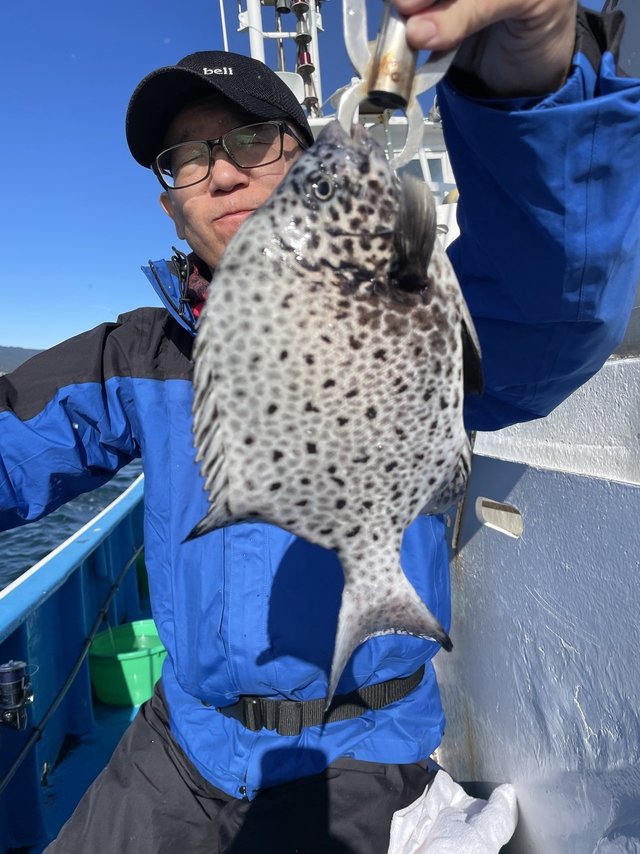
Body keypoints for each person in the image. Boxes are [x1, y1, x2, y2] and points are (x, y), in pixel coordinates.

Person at [1, 1, 639, 851]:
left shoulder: (403, 310)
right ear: (170, 206)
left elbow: (546, 313)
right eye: (187, 157)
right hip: (181, 747)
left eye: (251, 141)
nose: (221, 174)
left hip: (360, 758)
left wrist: (530, 87)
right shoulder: (140, 355)